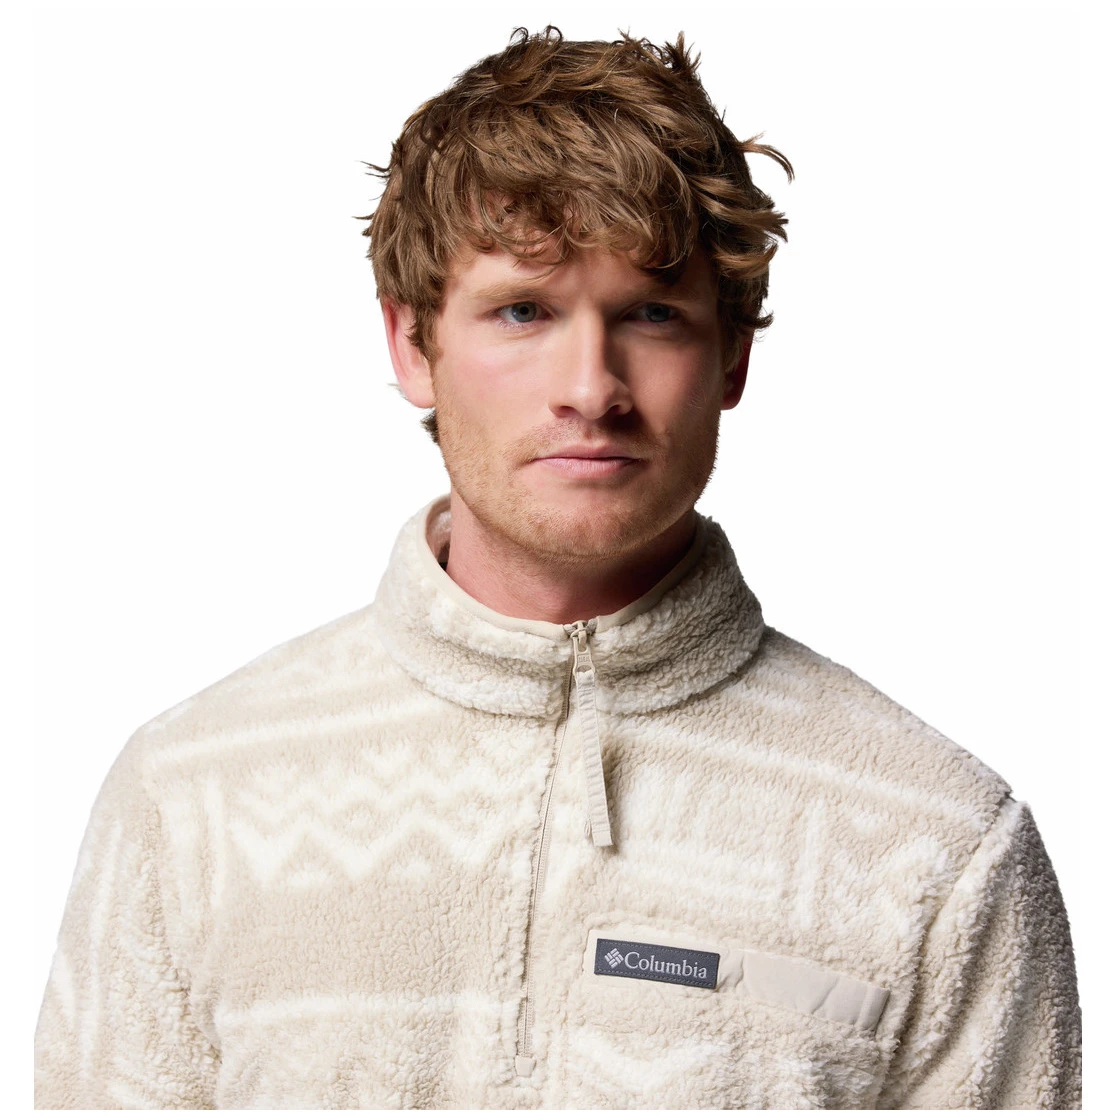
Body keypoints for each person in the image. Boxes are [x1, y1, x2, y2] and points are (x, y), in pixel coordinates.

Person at [33, 26, 1081, 1110]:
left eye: (652, 314)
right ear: (411, 344)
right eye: (523, 310)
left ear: (731, 355)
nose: (590, 387)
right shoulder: (194, 792)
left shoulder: (935, 837)